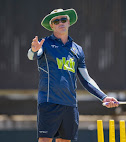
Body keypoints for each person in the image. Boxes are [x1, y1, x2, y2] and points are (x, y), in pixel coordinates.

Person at [27, 8, 119, 142]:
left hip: (70, 105)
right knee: (44, 140)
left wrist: (104, 97)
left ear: (69, 22)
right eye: (56, 21)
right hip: (49, 102)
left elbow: (86, 79)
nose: (60, 23)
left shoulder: (77, 49)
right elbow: (32, 55)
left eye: (63, 19)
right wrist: (33, 49)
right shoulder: (44, 43)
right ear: (52, 25)